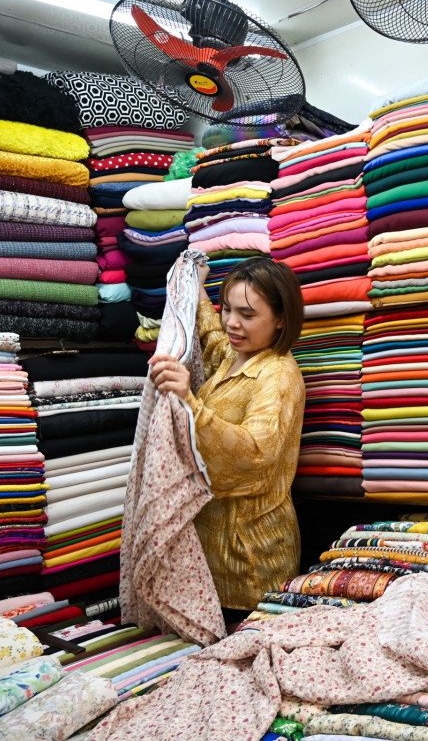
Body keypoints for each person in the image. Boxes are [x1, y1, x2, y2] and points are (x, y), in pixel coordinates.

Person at [147, 257, 306, 623]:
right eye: (228, 309)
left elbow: (255, 452)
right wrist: (198, 289)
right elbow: (214, 339)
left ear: (280, 319)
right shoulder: (236, 357)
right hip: (214, 553)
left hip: (250, 556)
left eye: (247, 314)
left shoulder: (278, 375)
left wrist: (189, 402)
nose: (232, 322)